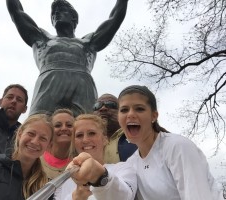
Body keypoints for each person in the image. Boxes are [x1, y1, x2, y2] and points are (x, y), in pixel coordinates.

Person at [67, 85, 223, 200]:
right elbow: (123, 194)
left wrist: (100, 176)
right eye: (124, 110)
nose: (131, 115)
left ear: (154, 115)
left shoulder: (177, 147)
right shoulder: (133, 163)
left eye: (139, 109)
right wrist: (98, 180)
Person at [6, 0, 129, 116]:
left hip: (82, 86)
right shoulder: (41, 38)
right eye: (53, 14)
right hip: (49, 84)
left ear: (73, 17)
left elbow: (115, 19)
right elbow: (17, 12)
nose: (56, 14)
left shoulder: (89, 42)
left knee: (87, 127)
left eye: (61, 10)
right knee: (37, 126)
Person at [54, 114, 137, 200]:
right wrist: (76, 197)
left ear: (105, 139)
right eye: (79, 135)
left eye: (92, 133)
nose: (85, 140)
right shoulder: (64, 180)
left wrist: (100, 176)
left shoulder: (124, 169)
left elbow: (125, 197)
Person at [93, 93, 137, 163]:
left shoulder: (139, 137)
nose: (102, 108)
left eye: (111, 104)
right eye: (97, 106)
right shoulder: (85, 143)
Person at [40, 108, 75, 180]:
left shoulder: (79, 161)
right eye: (58, 125)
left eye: (69, 125)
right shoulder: (36, 159)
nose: (64, 128)